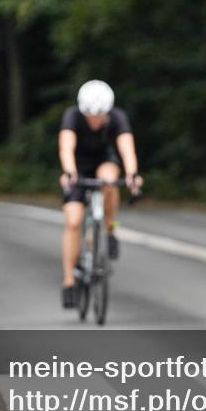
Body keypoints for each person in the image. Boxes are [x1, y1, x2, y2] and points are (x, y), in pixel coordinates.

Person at [58, 80, 142, 308]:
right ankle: (69, 281)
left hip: (105, 161)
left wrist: (133, 174)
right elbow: (66, 147)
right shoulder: (72, 116)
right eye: (90, 116)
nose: (94, 121)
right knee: (73, 222)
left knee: (109, 180)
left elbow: (127, 149)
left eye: (100, 116)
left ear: (108, 111)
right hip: (78, 167)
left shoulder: (117, 117)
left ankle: (111, 227)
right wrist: (69, 172)